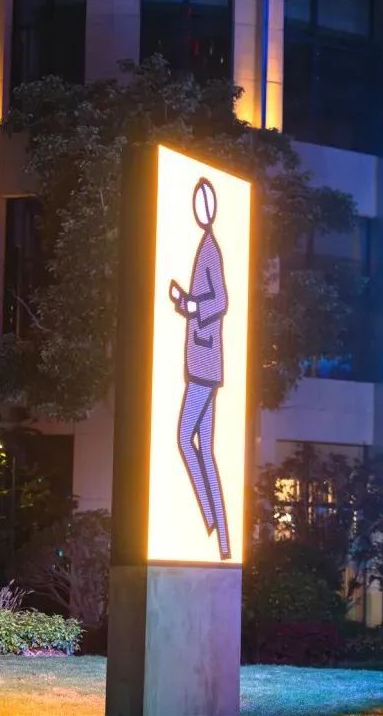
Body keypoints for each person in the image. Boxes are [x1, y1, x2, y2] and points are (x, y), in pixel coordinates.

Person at [170, 177, 231, 560]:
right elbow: (207, 300)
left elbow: (219, 300)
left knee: (184, 438)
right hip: (205, 362)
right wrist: (186, 302)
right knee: (205, 449)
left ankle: (210, 520)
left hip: (204, 364)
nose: (199, 208)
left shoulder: (210, 248)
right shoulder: (206, 246)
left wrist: (192, 306)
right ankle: (221, 538)